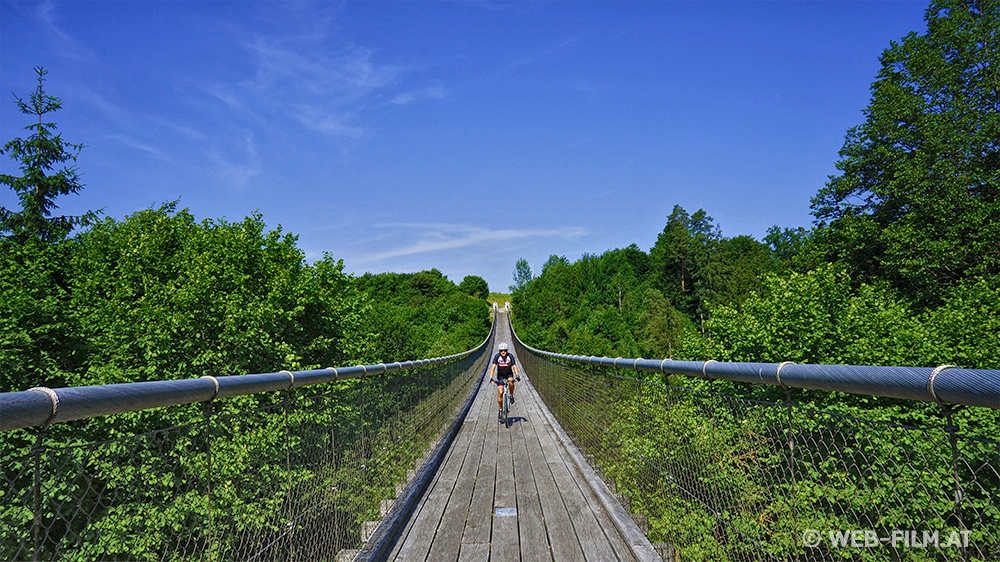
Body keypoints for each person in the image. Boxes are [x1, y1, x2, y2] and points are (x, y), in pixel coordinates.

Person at [488, 342, 520, 421]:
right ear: (499, 351)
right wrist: (491, 377)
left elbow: (514, 366)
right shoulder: (497, 357)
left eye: (505, 350)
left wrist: (517, 375)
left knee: (511, 382)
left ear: (507, 351)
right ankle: (500, 410)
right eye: (501, 350)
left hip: (509, 374)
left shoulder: (510, 356)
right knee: (500, 392)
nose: (503, 352)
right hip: (500, 376)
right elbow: (493, 367)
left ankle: (511, 395)